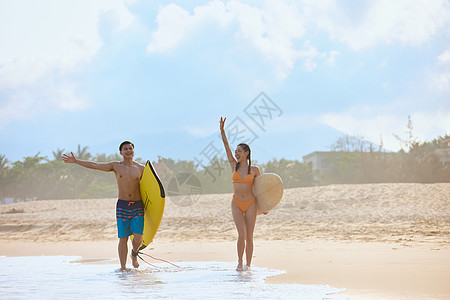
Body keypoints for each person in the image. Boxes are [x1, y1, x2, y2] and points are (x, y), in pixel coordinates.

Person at [62, 141, 145, 271]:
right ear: (121, 152)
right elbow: (95, 165)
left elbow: (151, 187)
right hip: (122, 205)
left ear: (133, 151)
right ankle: (123, 268)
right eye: (125, 149)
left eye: (130, 148)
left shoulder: (141, 168)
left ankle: (134, 254)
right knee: (123, 238)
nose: (128, 151)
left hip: (138, 205)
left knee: (138, 236)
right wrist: (76, 161)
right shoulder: (116, 166)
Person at [220, 117, 261, 271]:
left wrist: (264, 207)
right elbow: (226, 145)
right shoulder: (234, 166)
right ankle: (239, 262)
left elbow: (261, 189)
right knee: (241, 235)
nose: (236, 153)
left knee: (249, 236)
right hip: (236, 203)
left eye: (239, 151)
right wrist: (222, 131)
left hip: (251, 203)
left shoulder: (255, 170)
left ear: (246, 153)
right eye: (235, 151)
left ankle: (248, 266)